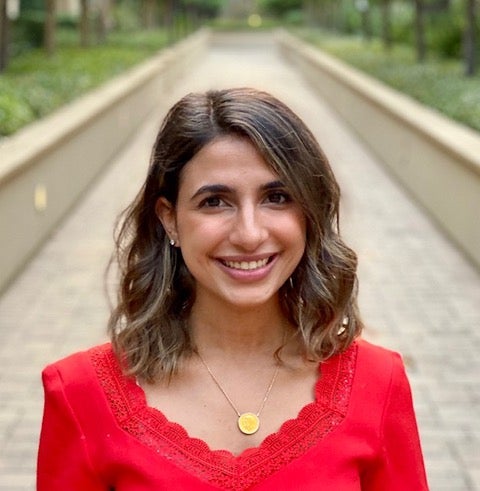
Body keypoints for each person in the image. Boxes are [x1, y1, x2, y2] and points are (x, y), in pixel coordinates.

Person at [37, 87, 429, 490]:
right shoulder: (82, 396)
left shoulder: (378, 385)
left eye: (276, 197)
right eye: (215, 202)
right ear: (170, 219)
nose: (249, 234)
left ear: (309, 213)